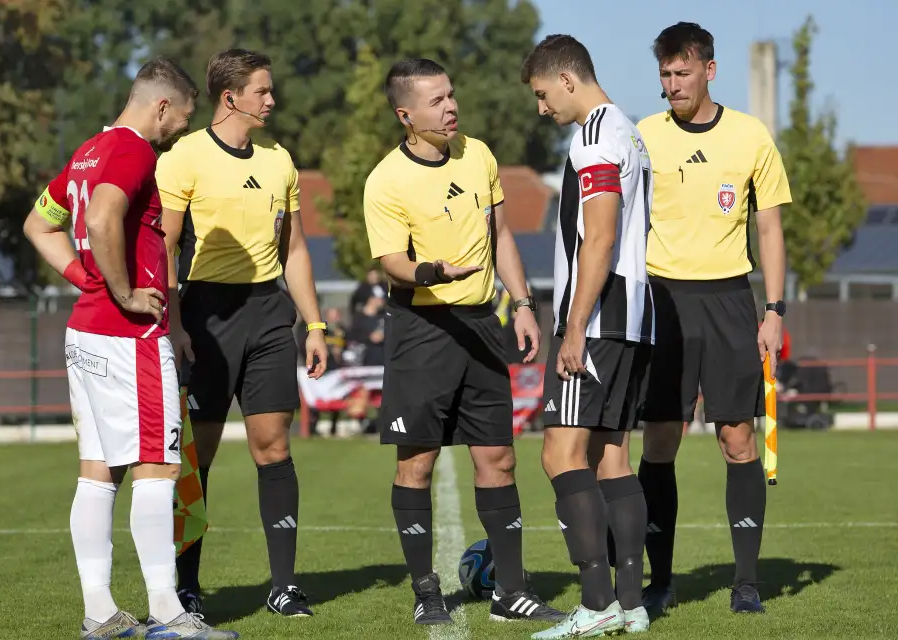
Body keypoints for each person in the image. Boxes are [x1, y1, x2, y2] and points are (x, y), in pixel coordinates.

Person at [22, 57, 238, 639]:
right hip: (127, 337)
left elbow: (38, 226)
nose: (182, 131)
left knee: (97, 473)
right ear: (161, 106)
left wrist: (84, 280)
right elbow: (102, 215)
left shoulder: (88, 151)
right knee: (158, 468)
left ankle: (99, 613)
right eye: (183, 118)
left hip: (85, 332)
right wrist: (121, 289)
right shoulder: (135, 150)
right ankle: (168, 614)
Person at [363, 57, 564, 626]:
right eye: (435, 101)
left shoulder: (478, 155)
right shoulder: (386, 180)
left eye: (451, 95)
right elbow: (392, 262)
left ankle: (511, 590)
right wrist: (432, 272)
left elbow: (500, 235)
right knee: (417, 463)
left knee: (499, 457)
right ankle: (427, 590)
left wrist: (522, 304)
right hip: (422, 328)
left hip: (482, 325)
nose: (450, 107)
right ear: (406, 115)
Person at [156, 48, 328, 618]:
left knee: (273, 447)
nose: (272, 100)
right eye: (263, 91)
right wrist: (177, 325)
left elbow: (295, 249)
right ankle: (186, 586)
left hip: (270, 315)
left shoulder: (280, 160)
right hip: (205, 317)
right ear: (230, 98)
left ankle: (283, 585)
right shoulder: (184, 157)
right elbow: (165, 251)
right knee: (197, 458)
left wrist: (315, 324)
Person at [636, 22, 791, 616]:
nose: (673, 84)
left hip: (730, 299)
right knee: (661, 440)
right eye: (665, 75)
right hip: (663, 299)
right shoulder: (644, 136)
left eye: (682, 72)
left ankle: (746, 581)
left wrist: (774, 310)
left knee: (737, 438)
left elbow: (770, 228)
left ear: (709, 70)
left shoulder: (750, 136)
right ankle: (660, 580)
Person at [519, 35, 655, 638]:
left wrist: (573, 325)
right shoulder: (631, 132)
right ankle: (631, 604)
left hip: (598, 321)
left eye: (543, 95)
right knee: (613, 460)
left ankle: (596, 604)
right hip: (633, 319)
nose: (542, 109)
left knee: (560, 455)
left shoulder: (598, 135)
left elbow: (598, 237)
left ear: (567, 80)